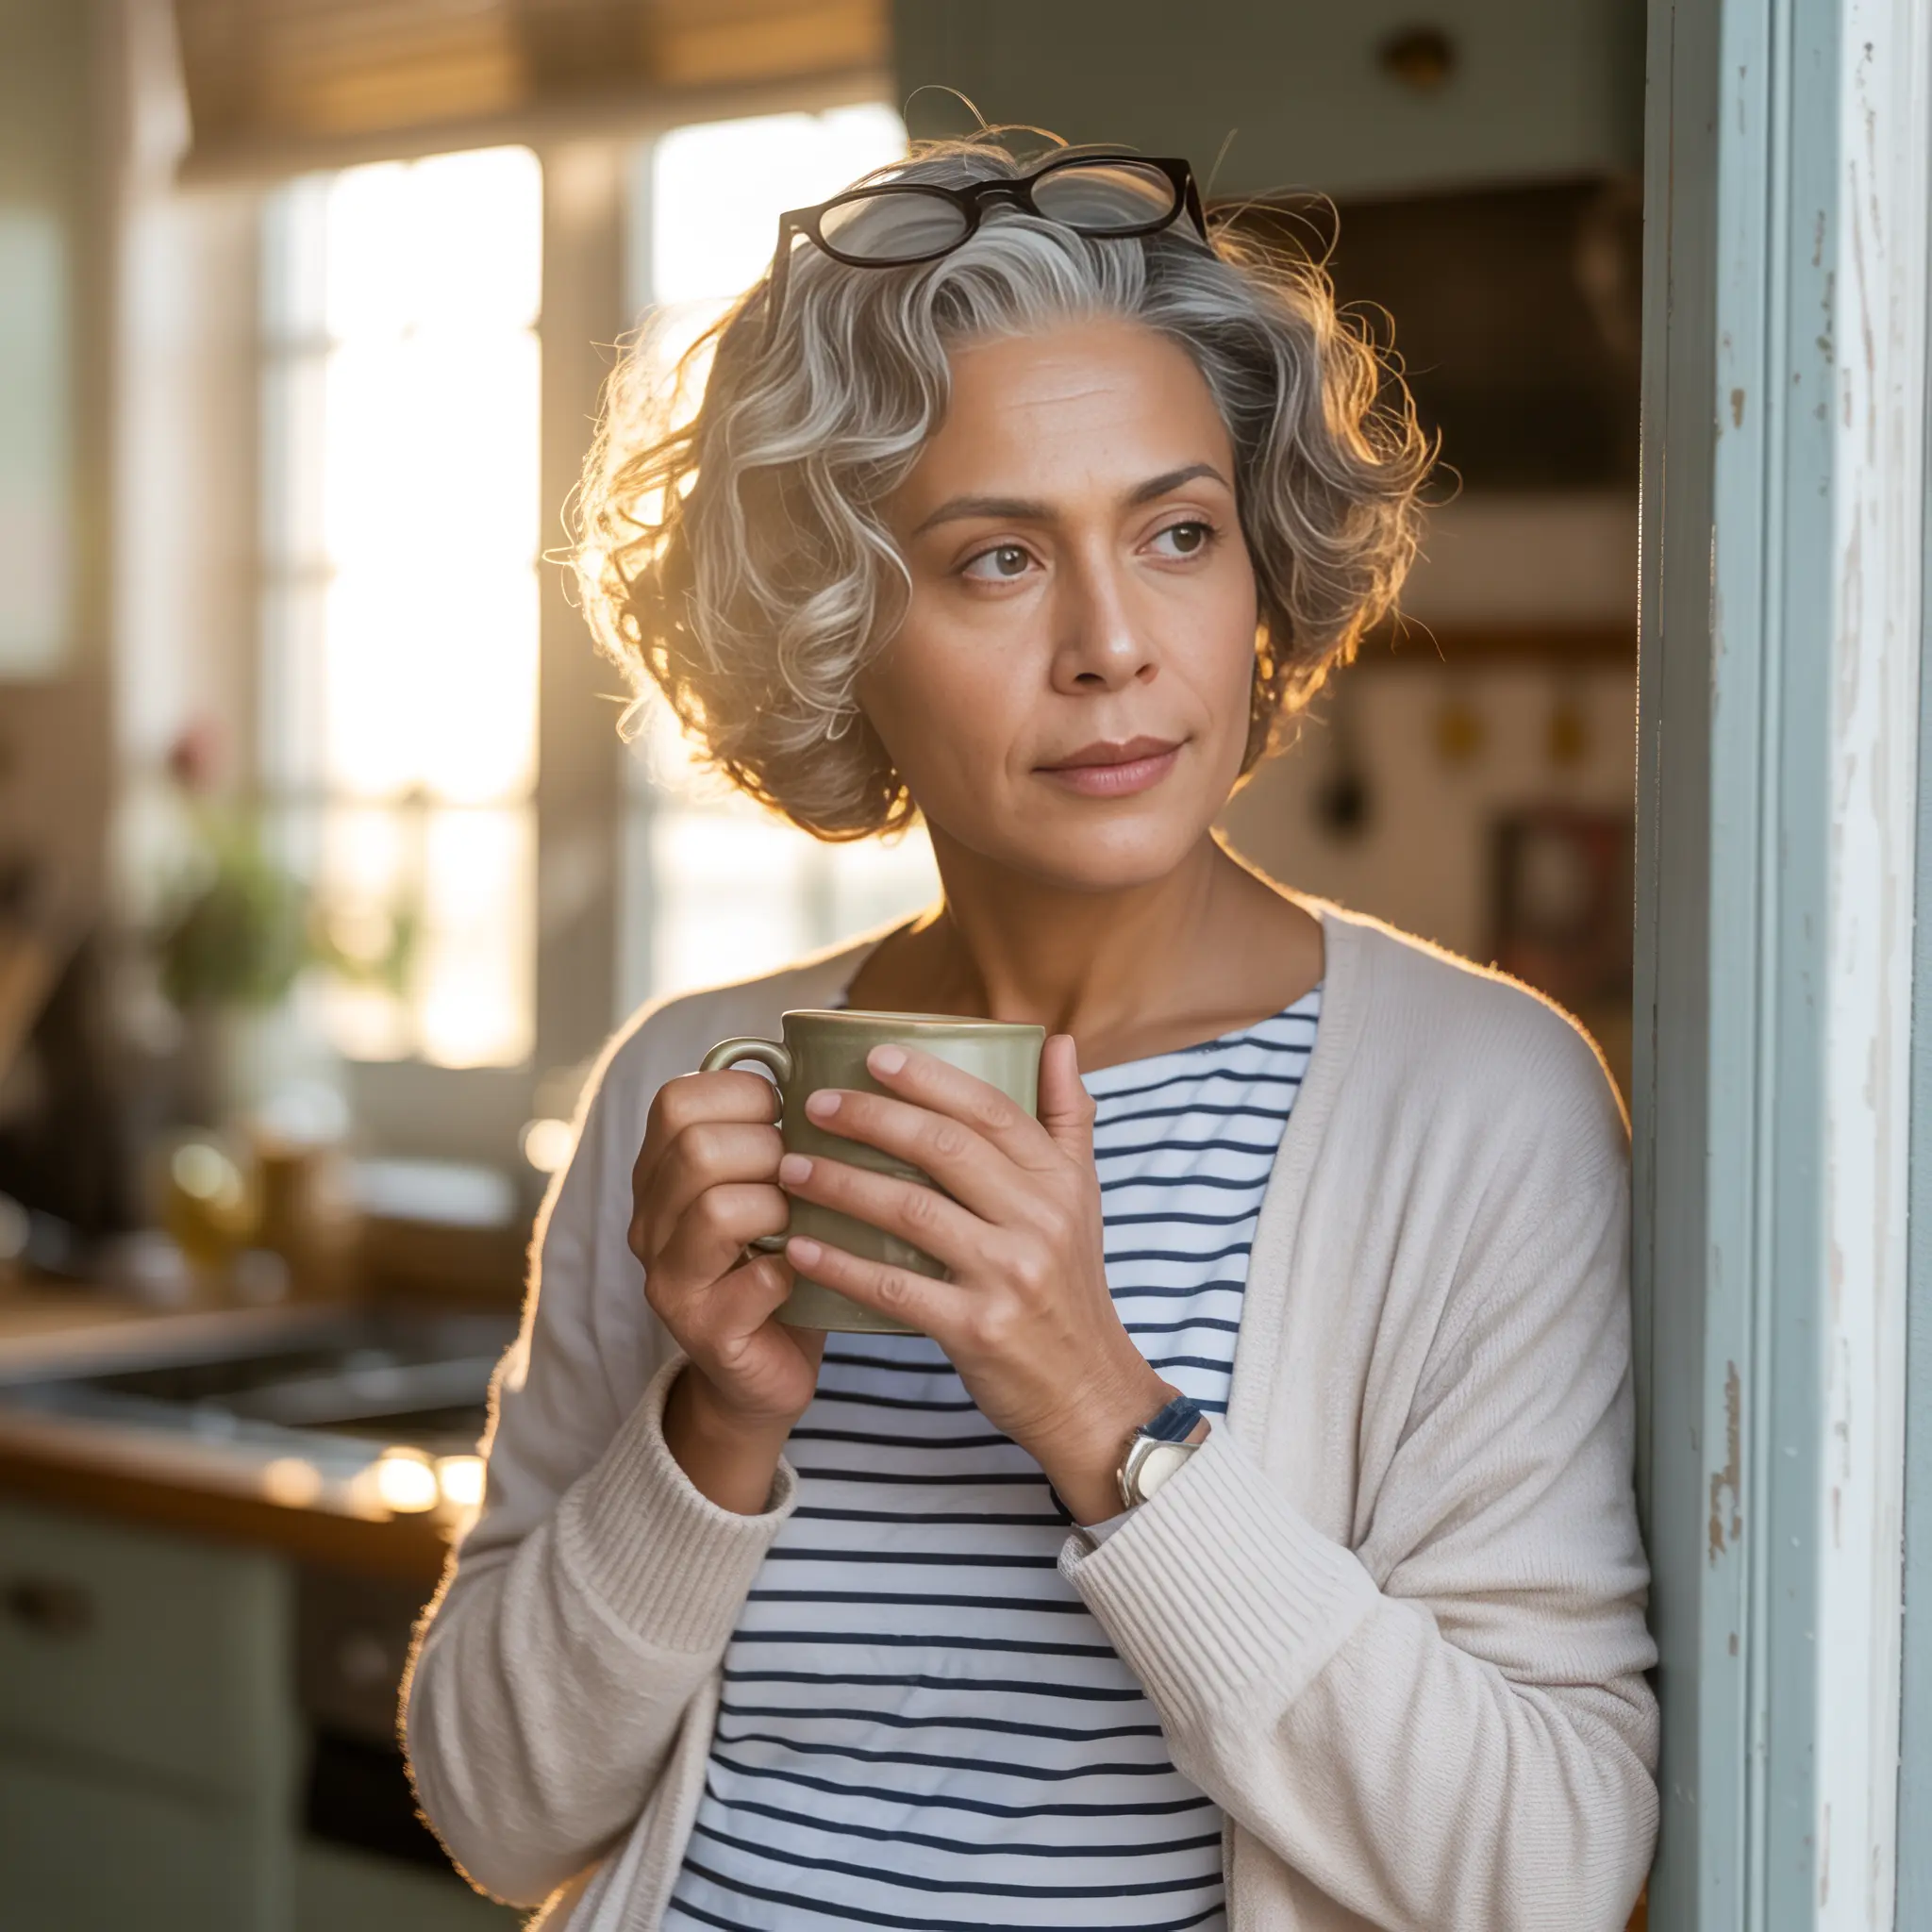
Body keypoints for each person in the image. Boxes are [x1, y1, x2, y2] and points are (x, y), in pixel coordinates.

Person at [404, 137, 1657, 1932]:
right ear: (840, 628)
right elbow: (496, 1813)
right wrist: (711, 1426)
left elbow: (1548, 1866)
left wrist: (1099, 1407)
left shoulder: (1480, 1105)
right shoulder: (703, 1089)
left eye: (1175, 534)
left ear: (1258, 578)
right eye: (996, 557)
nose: (1113, 645)